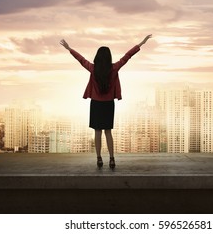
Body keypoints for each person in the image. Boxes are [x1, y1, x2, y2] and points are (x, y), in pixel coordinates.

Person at [59, 34, 152, 169]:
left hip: (96, 104)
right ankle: (112, 159)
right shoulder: (114, 68)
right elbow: (127, 57)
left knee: (97, 132)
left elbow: (81, 59)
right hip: (108, 104)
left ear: (97, 57)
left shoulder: (92, 68)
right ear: (109, 57)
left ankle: (99, 159)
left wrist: (69, 49)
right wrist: (141, 43)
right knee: (108, 131)